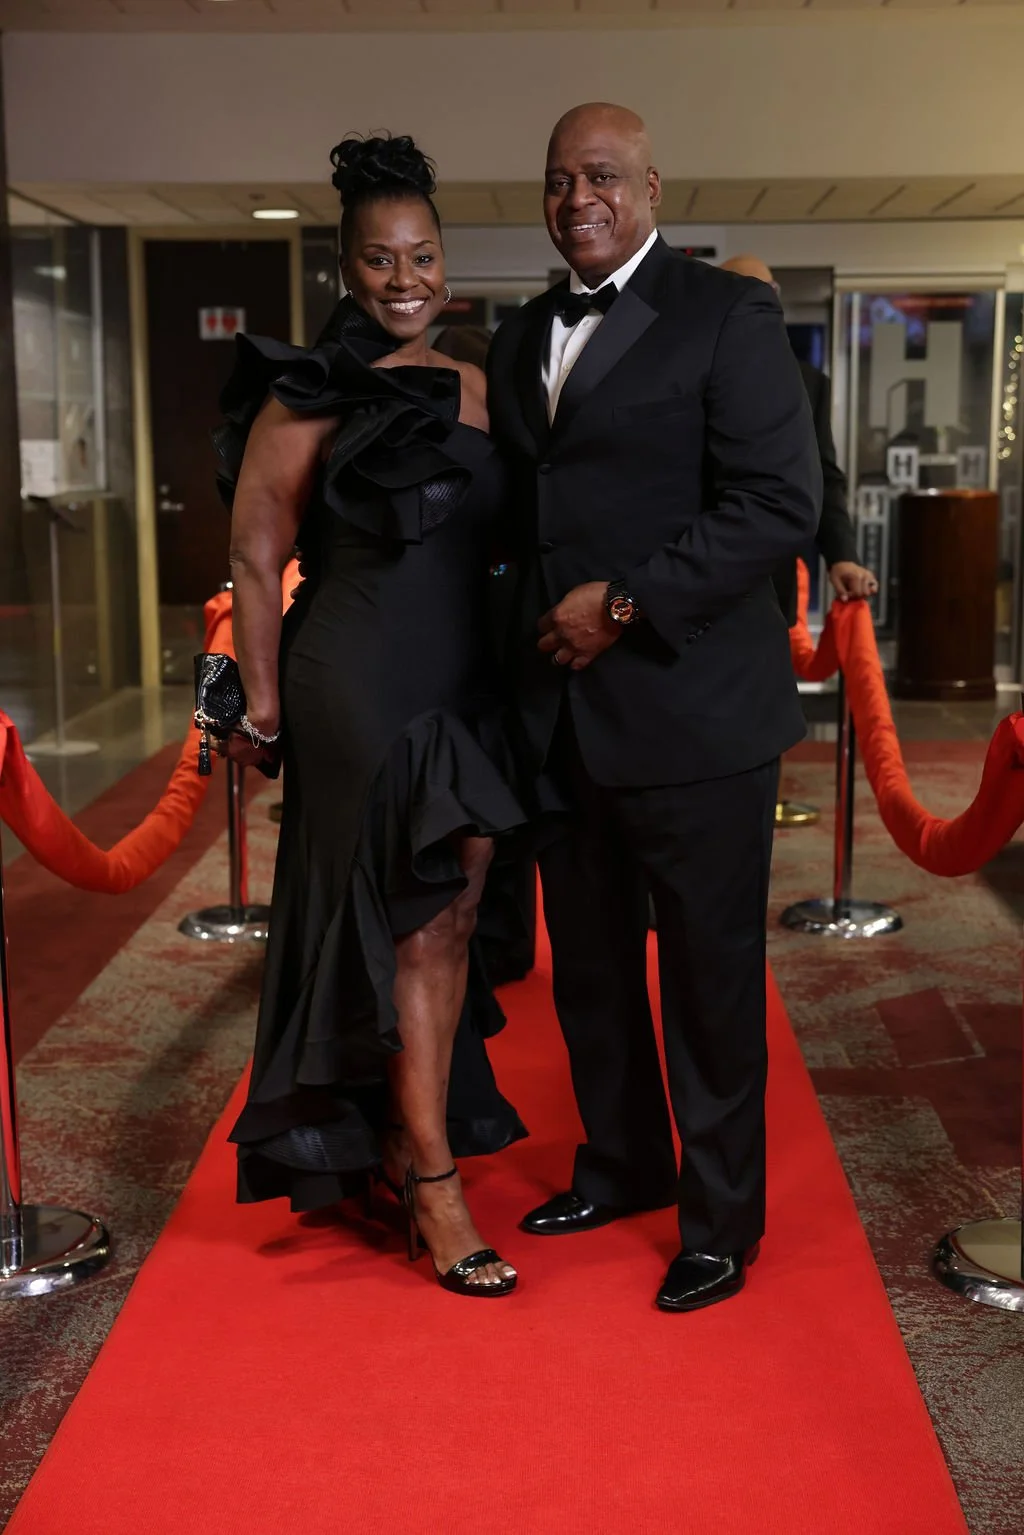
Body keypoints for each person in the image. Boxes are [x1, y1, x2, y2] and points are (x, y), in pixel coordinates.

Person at [487, 103, 821, 1312]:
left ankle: (719, 1218)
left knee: (707, 983)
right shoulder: (519, 333)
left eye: (602, 175)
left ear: (651, 187)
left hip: (696, 718)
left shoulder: (725, 313)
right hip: (560, 717)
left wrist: (622, 604)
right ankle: (620, 1163)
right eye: (558, 178)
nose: (578, 197)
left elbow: (775, 502)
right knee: (588, 973)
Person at [216, 133, 526, 1297]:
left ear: (446, 262)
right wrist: (260, 703)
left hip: (464, 673)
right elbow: (255, 556)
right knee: (416, 914)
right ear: (344, 269)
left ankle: (403, 1129)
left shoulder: (481, 385)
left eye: (422, 255)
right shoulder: (306, 393)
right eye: (381, 259)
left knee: (459, 898)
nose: (406, 278)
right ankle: (434, 1180)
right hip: (355, 673)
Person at [719, 254, 877, 619]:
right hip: (692, 582)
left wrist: (842, 556)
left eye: (767, 291)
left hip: (771, 586)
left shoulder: (808, 382)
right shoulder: (683, 373)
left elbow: (822, 476)